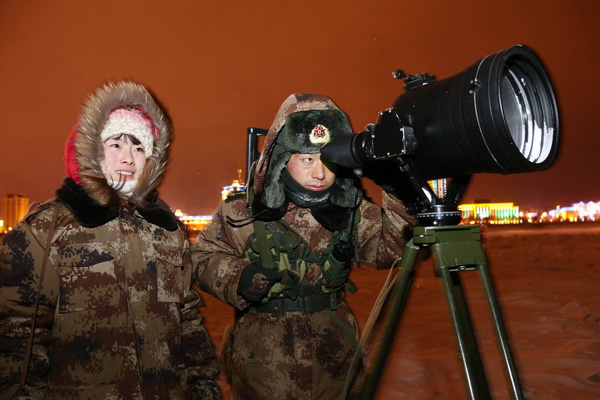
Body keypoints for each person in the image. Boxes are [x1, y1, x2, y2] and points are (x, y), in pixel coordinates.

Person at [0, 81, 220, 399]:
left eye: (139, 148)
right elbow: (16, 331)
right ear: (92, 150)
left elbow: (185, 316)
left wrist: (203, 384)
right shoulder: (46, 230)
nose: (128, 158)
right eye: (116, 145)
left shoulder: (167, 231)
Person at [192, 93, 416, 399]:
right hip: (262, 367)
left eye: (328, 160)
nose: (319, 173)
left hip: (335, 362)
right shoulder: (240, 211)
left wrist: (397, 185)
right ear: (283, 157)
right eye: (307, 158)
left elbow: (391, 250)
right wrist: (236, 276)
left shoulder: (352, 210)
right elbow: (201, 257)